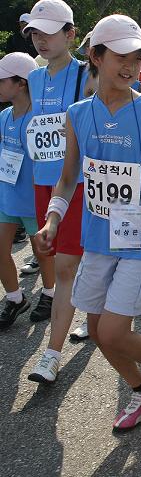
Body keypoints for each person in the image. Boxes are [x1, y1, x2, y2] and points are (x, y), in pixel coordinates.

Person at [35, 14, 141, 431]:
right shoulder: (77, 114)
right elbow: (68, 178)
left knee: (111, 331)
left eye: (138, 58)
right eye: (120, 56)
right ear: (96, 55)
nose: (131, 66)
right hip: (99, 235)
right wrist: (52, 220)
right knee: (95, 325)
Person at [22, 0, 90, 383]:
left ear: (70, 34)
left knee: (67, 266)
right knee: (55, 262)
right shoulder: (32, 77)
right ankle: (93, 321)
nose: (40, 41)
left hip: (78, 184)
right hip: (42, 182)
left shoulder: (86, 74)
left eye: (49, 33)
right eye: (34, 33)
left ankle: (51, 353)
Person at [0, 53, 55, 329]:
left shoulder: (41, 118)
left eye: (2, 79)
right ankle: (15, 297)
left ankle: (50, 293)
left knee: (43, 251)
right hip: (7, 196)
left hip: (34, 199)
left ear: (21, 83)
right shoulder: (3, 116)